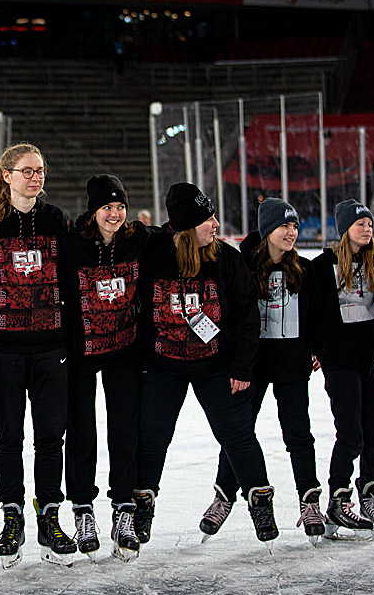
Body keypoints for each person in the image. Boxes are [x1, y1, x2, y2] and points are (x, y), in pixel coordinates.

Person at [134, 183, 278, 550]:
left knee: (237, 434)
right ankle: (142, 505)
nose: (215, 224)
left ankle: (260, 502)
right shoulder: (154, 251)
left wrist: (243, 367)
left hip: (216, 364)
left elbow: (247, 315)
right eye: (206, 219)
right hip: (163, 364)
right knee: (153, 437)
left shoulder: (226, 259)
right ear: (185, 227)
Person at [0, 143, 75, 567]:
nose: (36, 177)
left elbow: (71, 277)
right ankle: (11, 515)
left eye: (40, 170)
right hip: (4, 350)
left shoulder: (55, 220)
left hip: (51, 348)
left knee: (51, 437)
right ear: (6, 175)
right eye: (27, 170)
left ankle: (49, 515)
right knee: (9, 438)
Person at [202, 198, 324, 545]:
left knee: (299, 434)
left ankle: (310, 501)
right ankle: (223, 497)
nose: (291, 233)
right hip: (251, 365)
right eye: (284, 226)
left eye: (294, 226)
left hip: (291, 365)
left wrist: (315, 350)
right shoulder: (241, 266)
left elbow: (316, 316)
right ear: (267, 229)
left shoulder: (304, 269)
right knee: (238, 433)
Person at [59, 174, 151, 561]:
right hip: (82, 350)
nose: (114, 214)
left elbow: (176, 240)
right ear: (93, 211)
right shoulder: (73, 244)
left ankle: (123, 508)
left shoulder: (139, 239)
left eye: (119, 207)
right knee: (82, 430)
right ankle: (82, 508)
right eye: (106, 208)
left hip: (125, 349)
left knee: (124, 428)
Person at [313, 198, 374, 540]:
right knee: (351, 433)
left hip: (367, 360)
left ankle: (368, 492)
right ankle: (338, 498)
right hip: (339, 361)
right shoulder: (322, 266)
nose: (367, 229)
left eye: (370, 224)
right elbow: (310, 311)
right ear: (345, 229)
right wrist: (315, 349)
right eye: (360, 224)